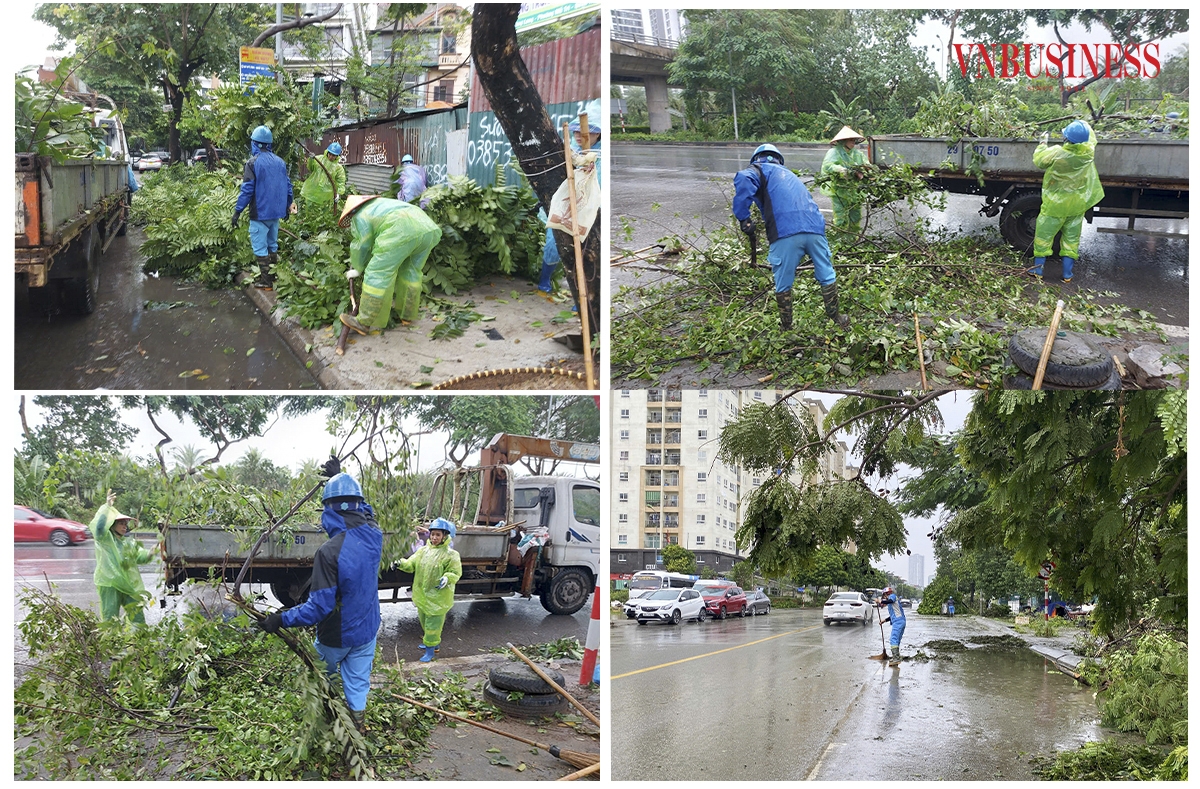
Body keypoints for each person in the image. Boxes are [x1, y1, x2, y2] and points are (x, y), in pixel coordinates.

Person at [259, 470, 383, 732]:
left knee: (320, 676)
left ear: (329, 511)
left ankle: (325, 721)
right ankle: (357, 727)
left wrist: (281, 618)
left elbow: (319, 608)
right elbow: (365, 511)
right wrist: (340, 476)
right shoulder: (375, 534)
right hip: (368, 631)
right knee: (358, 682)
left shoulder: (329, 552)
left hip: (335, 636)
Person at [733, 143, 849, 330]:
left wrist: (744, 217)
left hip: (785, 232)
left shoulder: (757, 169)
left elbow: (744, 178)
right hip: (815, 228)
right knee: (826, 273)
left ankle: (787, 327)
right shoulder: (789, 174)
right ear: (779, 159)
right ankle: (837, 319)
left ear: (757, 158)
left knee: (783, 279)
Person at [336, 195, 443, 335]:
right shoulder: (382, 204)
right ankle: (407, 315)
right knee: (410, 271)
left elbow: (362, 245)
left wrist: (358, 268)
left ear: (351, 212)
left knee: (377, 272)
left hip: (400, 230)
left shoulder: (360, 215)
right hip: (427, 228)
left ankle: (364, 322)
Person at [1029, 120, 1104, 282]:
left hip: (1055, 205)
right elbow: (1091, 139)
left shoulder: (1057, 152)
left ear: (1066, 138)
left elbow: (1039, 161)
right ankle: (1067, 275)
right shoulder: (1088, 154)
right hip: (1076, 205)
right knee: (1071, 239)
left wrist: (1042, 143)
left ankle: (1037, 271)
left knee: (1044, 237)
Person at [539, 120, 602, 295]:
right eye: (575, 133)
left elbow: (599, 187)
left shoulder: (600, 155)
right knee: (553, 244)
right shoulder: (568, 150)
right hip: (565, 204)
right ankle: (544, 280)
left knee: (584, 251)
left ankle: (582, 293)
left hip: (588, 208)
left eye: (584, 133)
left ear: (597, 134)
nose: (578, 136)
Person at [232, 125, 295, 283]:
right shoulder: (280, 162)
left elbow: (247, 190)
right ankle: (272, 278)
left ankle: (266, 281)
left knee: (260, 247)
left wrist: (237, 212)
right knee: (272, 245)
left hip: (259, 213)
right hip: (276, 213)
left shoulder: (252, 163)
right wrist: (287, 206)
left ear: (254, 144)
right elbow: (288, 187)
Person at [396, 518, 462, 662]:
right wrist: (399, 563)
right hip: (423, 596)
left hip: (438, 598)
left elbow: (455, 572)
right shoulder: (423, 551)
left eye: (438, 535)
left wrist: (447, 578)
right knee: (425, 622)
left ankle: (430, 652)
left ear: (445, 536)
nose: (434, 537)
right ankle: (432, 644)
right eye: (432, 534)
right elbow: (410, 564)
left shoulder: (451, 555)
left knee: (433, 626)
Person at [88, 490, 153, 623]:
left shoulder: (129, 542)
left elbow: (141, 557)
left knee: (137, 616)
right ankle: (111, 642)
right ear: (112, 524)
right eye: (121, 523)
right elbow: (99, 528)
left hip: (127, 584)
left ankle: (139, 640)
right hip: (109, 583)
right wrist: (107, 509)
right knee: (110, 618)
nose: (124, 526)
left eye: (125, 523)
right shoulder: (105, 539)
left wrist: (151, 552)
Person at [820, 126, 872, 241]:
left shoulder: (857, 154)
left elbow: (866, 165)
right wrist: (841, 170)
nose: (853, 143)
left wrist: (867, 170)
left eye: (854, 140)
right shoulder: (833, 152)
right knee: (841, 218)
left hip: (855, 191)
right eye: (850, 140)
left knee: (855, 217)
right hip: (840, 190)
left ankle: (852, 241)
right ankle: (840, 242)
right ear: (843, 141)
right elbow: (828, 166)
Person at [300, 142, 347, 207]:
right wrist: (311, 160)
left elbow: (341, 182)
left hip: (326, 196)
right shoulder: (319, 159)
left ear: (337, 156)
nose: (330, 157)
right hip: (312, 190)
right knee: (308, 211)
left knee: (322, 214)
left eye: (333, 155)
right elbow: (310, 168)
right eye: (330, 154)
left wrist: (338, 194)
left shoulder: (338, 168)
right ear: (327, 152)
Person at [876, 586, 906, 667]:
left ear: (886, 594)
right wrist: (884, 621)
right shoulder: (892, 604)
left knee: (893, 639)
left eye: (884, 595)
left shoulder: (892, 597)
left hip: (898, 622)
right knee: (897, 640)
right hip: (900, 621)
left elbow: (889, 600)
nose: (884, 597)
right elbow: (892, 616)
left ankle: (896, 658)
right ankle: (896, 657)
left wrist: (880, 601)